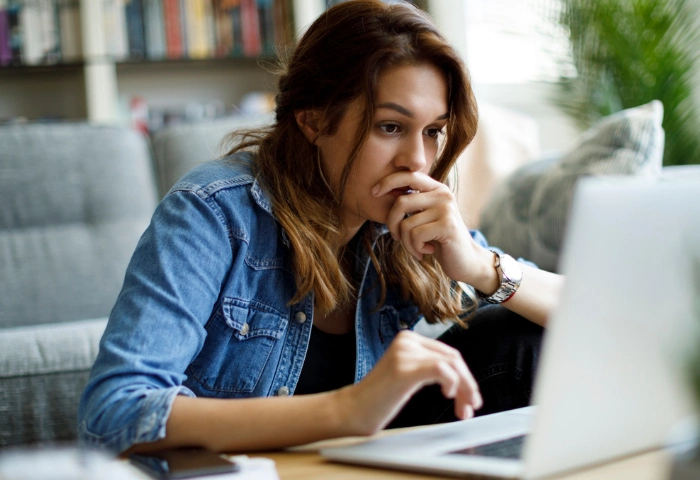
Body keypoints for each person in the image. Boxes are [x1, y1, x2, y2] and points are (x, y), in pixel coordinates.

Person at [78, 0, 564, 455]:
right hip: (256, 472)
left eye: (433, 131)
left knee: (519, 336)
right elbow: (114, 412)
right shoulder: (213, 212)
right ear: (312, 119)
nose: (417, 159)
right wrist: (349, 410)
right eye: (390, 127)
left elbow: (589, 316)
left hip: (355, 465)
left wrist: (482, 266)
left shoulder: (398, 225)